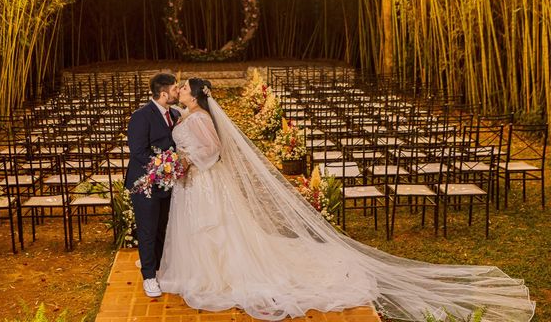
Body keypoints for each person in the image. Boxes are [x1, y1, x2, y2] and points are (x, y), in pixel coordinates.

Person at [157, 78, 535, 322]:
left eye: (185, 88)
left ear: (196, 93)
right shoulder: (186, 113)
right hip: (197, 186)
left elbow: (214, 150)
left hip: (204, 181)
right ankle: (203, 270)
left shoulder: (199, 117)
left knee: (220, 232)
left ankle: (217, 274)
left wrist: (188, 161)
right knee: (209, 232)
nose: (181, 91)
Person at [125, 72, 180, 298]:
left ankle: (157, 266)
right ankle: (149, 277)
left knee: (162, 228)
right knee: (147, 230)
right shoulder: (141, 116)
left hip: (167, 183)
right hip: (145, 183)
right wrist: (164, 165)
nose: (178, 91)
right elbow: (138, 151)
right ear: (164, 93)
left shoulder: (175, 114)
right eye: (176, 88)